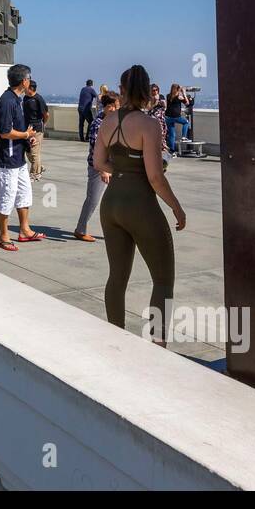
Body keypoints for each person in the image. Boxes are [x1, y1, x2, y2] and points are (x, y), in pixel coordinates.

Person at [94, 65, 186, 346]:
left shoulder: (108, 121)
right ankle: (157, 347)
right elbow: (155, 177)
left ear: (121, 89)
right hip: (140, 204)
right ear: (147, 91)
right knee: (162, 280)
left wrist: (121, 170)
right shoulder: (148, 125)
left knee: (117, 277)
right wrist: (176, 207)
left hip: (111, 205)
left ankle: (117, 339)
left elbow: (99, 163)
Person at [0, 63, 42, 251]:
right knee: (7, 195)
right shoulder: (7, 101)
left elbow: (19, 129)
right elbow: (4, 131)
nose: (30, 80)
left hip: (18, 157)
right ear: (24, 81)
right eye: (29, 77)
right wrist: (26, 136)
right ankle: (3, 236)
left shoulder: (17, 99)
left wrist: (27, 140)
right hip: (8, 158)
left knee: (24, 193)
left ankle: (25, 230)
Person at [74, 91, 119, 241]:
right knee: (92, 200)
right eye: (110, 106)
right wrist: (103, 171)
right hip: (99, 168)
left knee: (116, 200)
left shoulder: (113, 122)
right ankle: (80, 230)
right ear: (104, 107)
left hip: (113, 166)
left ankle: (117, 230)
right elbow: (95, 151)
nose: (113, 109)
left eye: (116, 106)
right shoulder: (98, 124)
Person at [23, 80, 50, 179]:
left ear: (31, 89)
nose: (23, 89)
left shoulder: (38, 99)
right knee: (28, 151)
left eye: (25, 87)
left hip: (37, 128)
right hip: (27, 129)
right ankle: (39, 167)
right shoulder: (25, 98)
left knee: (34, 152)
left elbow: (46, 114)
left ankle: (34, 174)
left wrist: (43, 123)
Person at [165, 84, 191, 155]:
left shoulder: (168, 96)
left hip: (168, 117)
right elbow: (187, 103)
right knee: (186, 122)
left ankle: (172, 151)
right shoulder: (179, 97)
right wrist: (184, 93)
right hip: (176, 116)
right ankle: (183, 137)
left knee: (172, 135)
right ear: (177, 89)